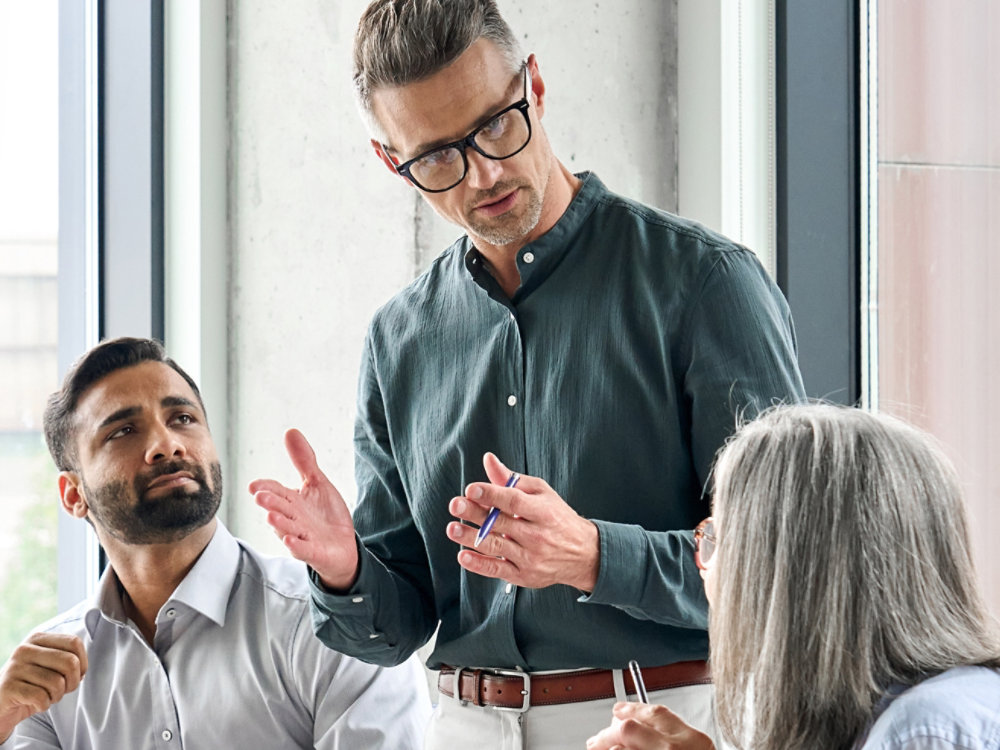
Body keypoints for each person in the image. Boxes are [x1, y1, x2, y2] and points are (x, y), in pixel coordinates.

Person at [251, 1, 805, 747]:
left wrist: (595, 556)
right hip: (461, 725)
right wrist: (347, 571)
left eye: (495, 126)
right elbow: (398, 623)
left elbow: (788, 562)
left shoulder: (705, 284)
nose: (483, 172)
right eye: (439, 157)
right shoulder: (398, 338)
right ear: (393, 163)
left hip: (660, 722)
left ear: (534, 87)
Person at [0, 337, 431, 749]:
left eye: (182, 419)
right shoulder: (42, 679)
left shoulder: (336, 628)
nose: (166, 445)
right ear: (74, 495)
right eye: (123, 431)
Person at [587, 404, 1000, 750]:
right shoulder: (909, 712)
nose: (701, 561)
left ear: (781, 573)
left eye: (714, 536)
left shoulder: (924, 732)